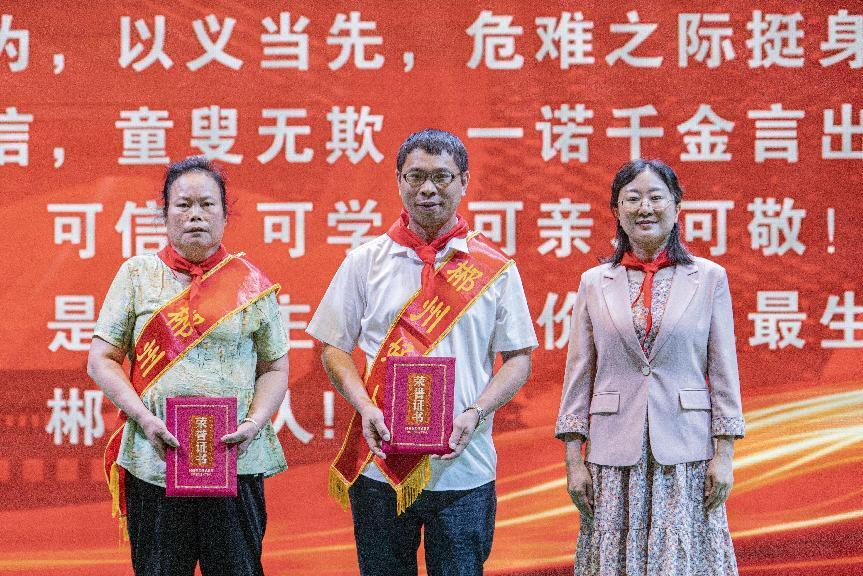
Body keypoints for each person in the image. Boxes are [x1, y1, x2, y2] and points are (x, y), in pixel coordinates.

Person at [306, 128, 538, 576]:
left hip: (465, 466)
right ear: (398, 181)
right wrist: (365, 406)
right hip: (381, 466)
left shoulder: (495, 270)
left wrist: (476, 412)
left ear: (464, 181)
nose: (428, 189)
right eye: (415, 176)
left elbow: (519, 359)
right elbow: (334, 347)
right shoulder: (365, 261)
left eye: (441, 177)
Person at [87, 156, 289, 576]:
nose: (195, 214)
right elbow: (102, 359)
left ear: (225, 214)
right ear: (164, 214)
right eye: (183, 205)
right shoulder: (137, 275)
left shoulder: (250, 282)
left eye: (207, 204)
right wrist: (144, 419)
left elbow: (274, 366)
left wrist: (253, 424)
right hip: (155, 461)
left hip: (234, 462)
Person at [555, 159, 744, 575]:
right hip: (612, 456)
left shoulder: (709, 278)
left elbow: (724, 372)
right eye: (632, 199)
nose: (645, 208)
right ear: (616, 210)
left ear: (677, 208)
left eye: (656, 197)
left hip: (686, 454)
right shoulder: (594, 282)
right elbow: (579, 375)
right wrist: (573, 460)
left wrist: (725, 454)